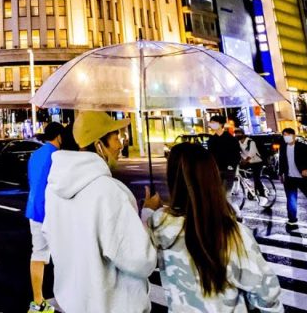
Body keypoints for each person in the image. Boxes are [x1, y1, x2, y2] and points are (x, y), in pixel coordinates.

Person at [143, 142, 283, 312]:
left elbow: (142, 259)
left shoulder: (159, 224)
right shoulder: (232, 232)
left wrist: (147, 211)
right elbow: (266, 292)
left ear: (173, 179)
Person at [42, 111, 156, 313]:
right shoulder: (109, 192)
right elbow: (141, 260)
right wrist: (147, 215)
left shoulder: (53, 190)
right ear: (98, 145)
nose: (121, 145)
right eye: (115, 137)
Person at [25, 122, 65, 313]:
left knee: (38, 254)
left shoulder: (35, 155)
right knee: (65, 256)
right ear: (59, 136)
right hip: (51, 211)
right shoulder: (58, 156)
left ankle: (38, 302)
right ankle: (70, 298)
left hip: (34, 210)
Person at [277, 127, 307, 227]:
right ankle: (292, 219)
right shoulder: (283, 147)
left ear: (294, 135)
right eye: (284, 136)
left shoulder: (302, 146)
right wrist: (281, 173)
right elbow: (281, 161)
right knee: (291, 199)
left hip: (302, 177)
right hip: (289, 177)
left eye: (288, 135)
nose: (286, 137)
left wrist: (306, 169)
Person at [207, 116, 241, 193]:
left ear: (221, 124)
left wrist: (231, 166)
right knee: (217, 194)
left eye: (213, 123)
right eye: (211, 123)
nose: (211, 124)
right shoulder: (211, 140)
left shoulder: (231, 139)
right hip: (216, 170)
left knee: (226, 195)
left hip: (228, 170)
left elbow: (236, 154)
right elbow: (210, 155)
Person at [236, 128, 265, 194]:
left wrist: (245, 160)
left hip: (257, 162)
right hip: (248, 162)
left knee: (256, 178)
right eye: (236, 133)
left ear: (243, 134)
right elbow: (237, 152)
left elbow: (252, 152)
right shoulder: (238, 143)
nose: (237, 135)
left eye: (239, 133)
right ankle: (250, 189)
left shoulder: (250, 142)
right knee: (241, 173)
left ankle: (262, 194)